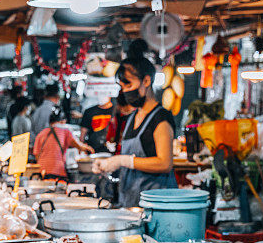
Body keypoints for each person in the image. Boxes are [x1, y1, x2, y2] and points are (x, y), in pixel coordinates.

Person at [93, 49, 177, 207]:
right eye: (122, 87)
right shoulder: (131, 118)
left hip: (157, 205)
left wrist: (123, 160)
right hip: (131, 203)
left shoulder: (160, 117)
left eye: (129, 85)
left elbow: (165, 163)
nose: (125, 91)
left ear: (146, 81)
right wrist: (109, 164)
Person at [33, 113, 93, 180]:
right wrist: (90, 149)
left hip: (42, 171)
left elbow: (36, 154)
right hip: (57, 170)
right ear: (63, 121)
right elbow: (79, 146)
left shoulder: (41, 134)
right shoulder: (65, 132)